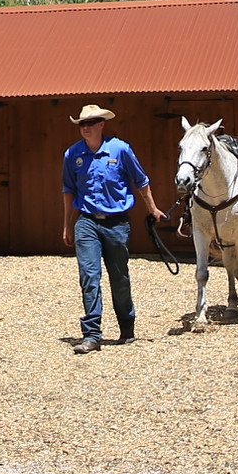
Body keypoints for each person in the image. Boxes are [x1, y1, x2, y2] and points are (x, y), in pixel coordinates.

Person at [61, 104, 166, 353]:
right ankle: (92, 334)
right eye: (81, 124)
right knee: (89, 275)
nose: (85, 128)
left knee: (119, 277)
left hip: (116, 223)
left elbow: (141, 181)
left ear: (101, 124)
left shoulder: (120, 149)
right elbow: (68, 190)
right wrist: (67, 225)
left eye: (90, 123)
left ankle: (126, 326)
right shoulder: (72, 155)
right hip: (86, 221)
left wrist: (152, 209)